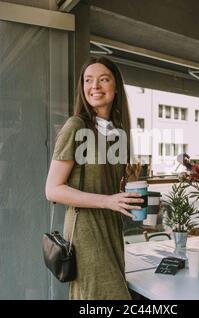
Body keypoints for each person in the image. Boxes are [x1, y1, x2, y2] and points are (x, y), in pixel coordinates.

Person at [45, 57, 143, 300]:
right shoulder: (76, 126)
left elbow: (105, 185)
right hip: (87, 232)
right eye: (88, 80)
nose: (95, 86)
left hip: (111, 230)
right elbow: (53, 190)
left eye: (103, 79)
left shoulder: (115, 130)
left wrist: (127, 184)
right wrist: (108, 201)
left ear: (116, 86)